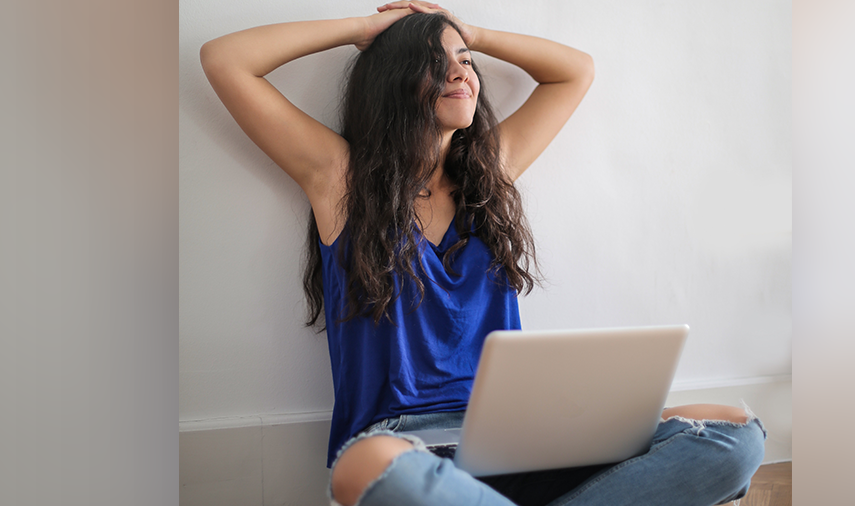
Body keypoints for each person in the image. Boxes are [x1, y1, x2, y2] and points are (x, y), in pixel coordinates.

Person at [200, 2, 766, 504]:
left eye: (466, 60)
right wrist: (363, 28)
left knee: (735, 431)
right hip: (406, 446)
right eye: (434, 60)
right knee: (366, 465)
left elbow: (575, 71)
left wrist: (466, 30)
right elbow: (225, 59)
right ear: (392, 78)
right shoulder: (341, 179)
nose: (460, 71)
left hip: (520, 443)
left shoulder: (489, 177)